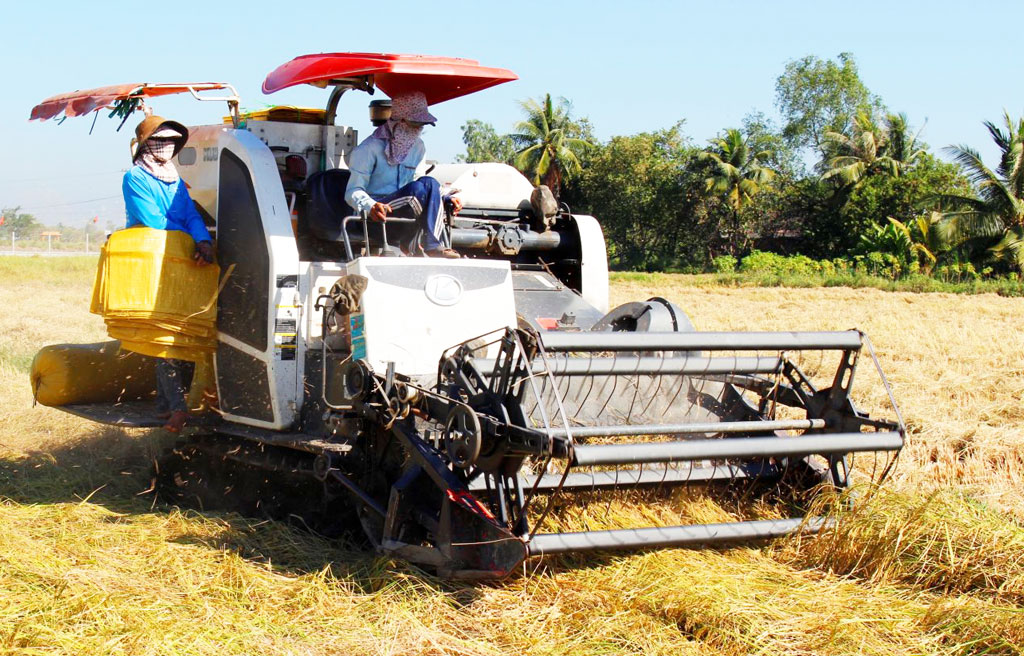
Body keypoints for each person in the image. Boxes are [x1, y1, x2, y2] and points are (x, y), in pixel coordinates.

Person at [122, 115, 214, 432]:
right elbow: (153, 220)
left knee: (184, 333)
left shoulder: (174, 179)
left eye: (172, 142)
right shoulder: (134, 178)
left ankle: (167, 405)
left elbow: (189, 213)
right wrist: (191, 240)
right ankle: (177, 407)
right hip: (153, 262)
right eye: (161, 141)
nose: (167, 147)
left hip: (184, 261)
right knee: (164, 337)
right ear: (146, 145)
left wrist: (202, 241)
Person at [344, 92, 462, 258]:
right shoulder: (369, 149)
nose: (417, 130)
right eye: (414, 124)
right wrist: (371, 206)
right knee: (421, 188)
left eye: (421, 126)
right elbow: (352, 191)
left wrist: (445, 199)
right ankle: (420, 244)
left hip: (405, 217)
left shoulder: (418, 147)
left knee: (428, 183)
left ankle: (422, 243)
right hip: (376, 219)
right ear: (397, 122)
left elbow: (422, 184)